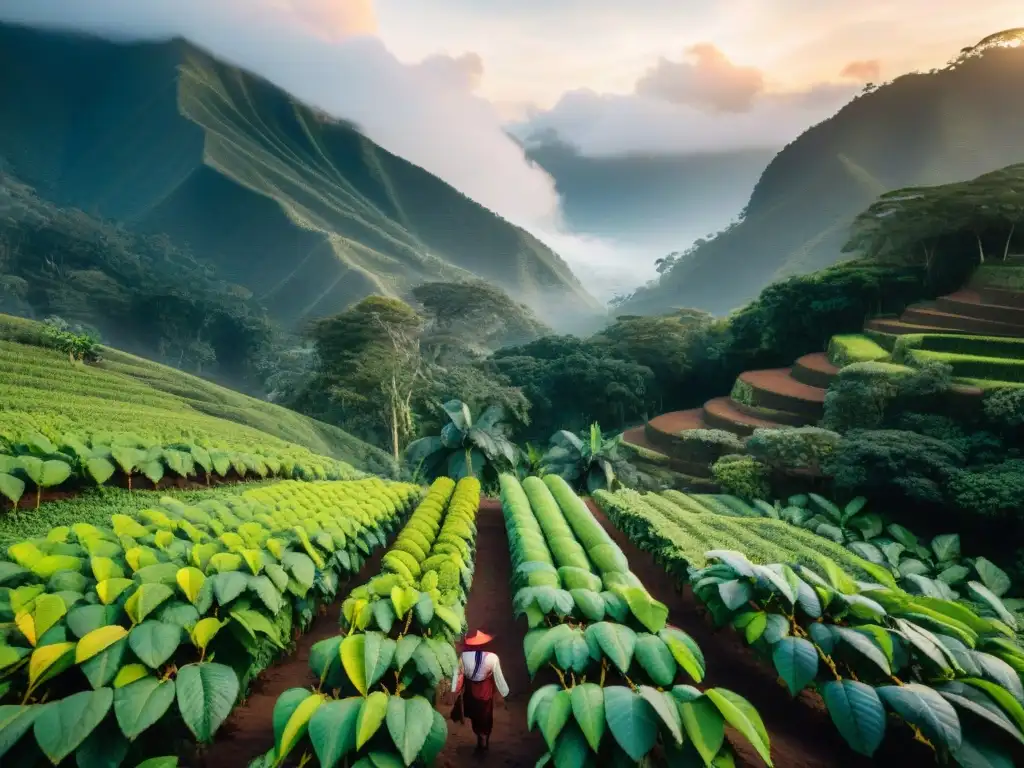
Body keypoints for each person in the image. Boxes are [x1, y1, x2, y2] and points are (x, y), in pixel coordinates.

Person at [450, 629, 509, 752]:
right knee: (486, 715)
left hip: (471, 690)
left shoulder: (463, 657)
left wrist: (454, 689)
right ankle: (485, 738)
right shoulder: (493, 658)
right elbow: (498, 677)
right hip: (485, 691)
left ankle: (479, 738)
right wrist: (505, 692)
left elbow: (458, 673)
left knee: (475, 715)